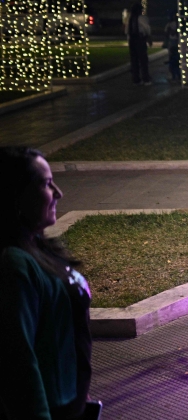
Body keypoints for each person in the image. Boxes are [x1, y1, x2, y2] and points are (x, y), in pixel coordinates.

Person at [0, 147, 94, 420]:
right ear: (17, 195)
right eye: (46, 183)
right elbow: (19, 360)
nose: (58, 193)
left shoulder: (39, 247)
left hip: (70, 401)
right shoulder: (14, 264)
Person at [126, 2, 152, 85]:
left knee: (135, 60)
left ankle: (136, 79)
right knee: (143, 60)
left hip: (133, 40)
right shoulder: (141, 18)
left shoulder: (130, 18)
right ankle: (145, 78)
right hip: (139, 39)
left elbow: (127, 31)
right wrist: (149, 38)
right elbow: (147, 29)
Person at [164, 13, 181, 82]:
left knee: (173, 59)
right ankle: (177, 75)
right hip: (175, 42)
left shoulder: (169, 25)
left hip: (173, 42)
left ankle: (174, 75)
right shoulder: (176, 24)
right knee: (176, 60)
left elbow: (167, 33)